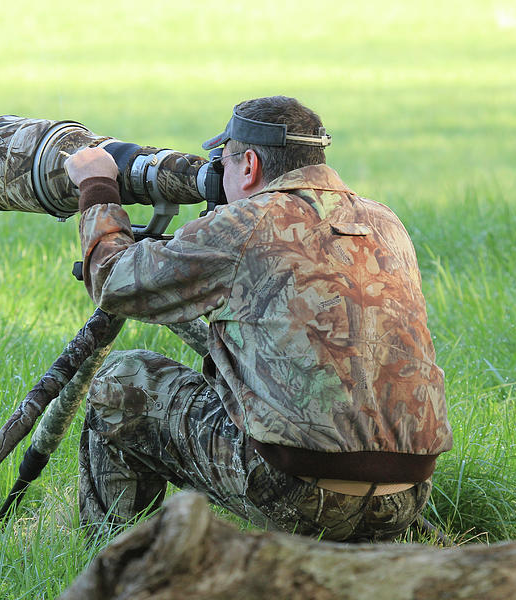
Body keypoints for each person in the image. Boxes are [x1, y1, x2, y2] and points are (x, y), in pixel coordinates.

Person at [63, 96, 453, 542]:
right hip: (406, 496)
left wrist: (96, 185)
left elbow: (113, 280)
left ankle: (122, 566)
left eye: (222, 162)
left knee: (122, 381)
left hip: (298, 493)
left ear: (249, 166)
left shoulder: (245, 223)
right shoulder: (387, 222)